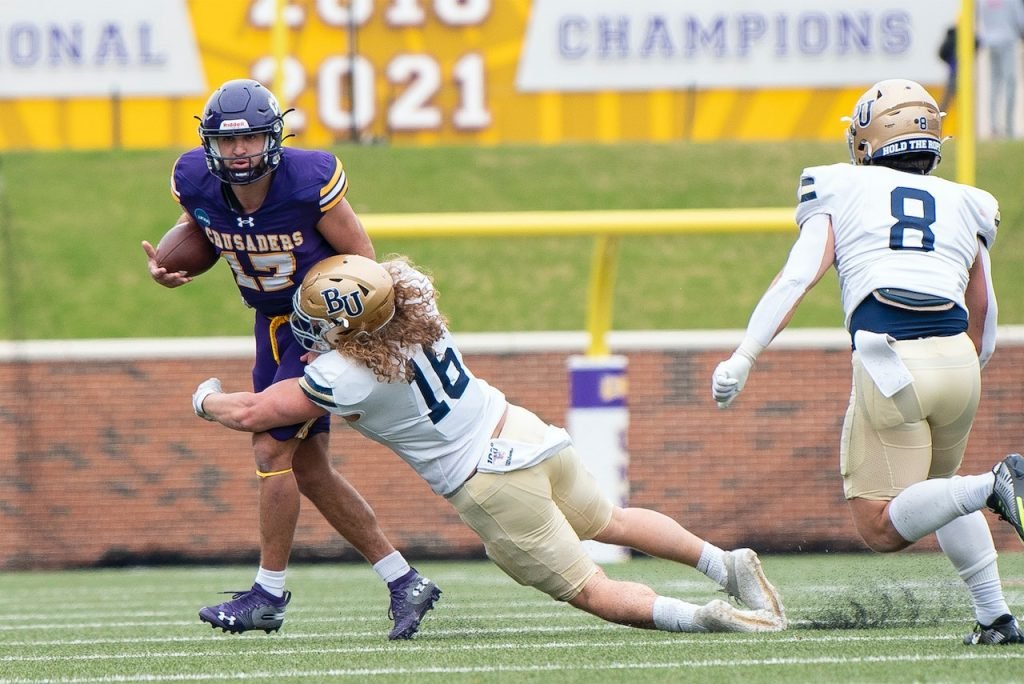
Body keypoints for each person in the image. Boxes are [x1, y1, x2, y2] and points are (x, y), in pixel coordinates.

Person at [191, 253, 789, 635]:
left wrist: (204, 398)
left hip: (488, 479)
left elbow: (252, 413)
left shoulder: (343, 375)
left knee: (592, 590)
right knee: (612, 519)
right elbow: (386, 277)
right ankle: (725, 564)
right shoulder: (415, 297)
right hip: (527, 432)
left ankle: (712, 619)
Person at [710, 78, 1024, 645]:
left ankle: (995, 485)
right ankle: (996, 618)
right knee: (939, 488)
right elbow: (984, 306)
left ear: (868, 138)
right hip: (958, 359)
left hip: (891, 357)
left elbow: (798, 277)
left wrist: (745, 354)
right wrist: (965, 368)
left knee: (880, 524)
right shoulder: (967, 200)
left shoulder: (840, 186)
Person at [141, 79, 440, 639]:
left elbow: (363, 259)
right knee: (308, 469)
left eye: (250, 139)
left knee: (270, 443)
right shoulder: (195, 181)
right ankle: (404, 580)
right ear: (209, 145)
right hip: (269, 327)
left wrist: (334, 329)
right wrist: (169, 264)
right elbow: (196, 229)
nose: (238, 153)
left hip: (317, 328)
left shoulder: (308, 180)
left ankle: (268, 595)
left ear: (274, 137)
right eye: (227, 143)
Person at [977, 0, 1024, 138]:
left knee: (994, 84)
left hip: (990, 41)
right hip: (1008, 40)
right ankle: (1009, 128)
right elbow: (1020, 20)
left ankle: (993, 127)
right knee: (1010, 83)